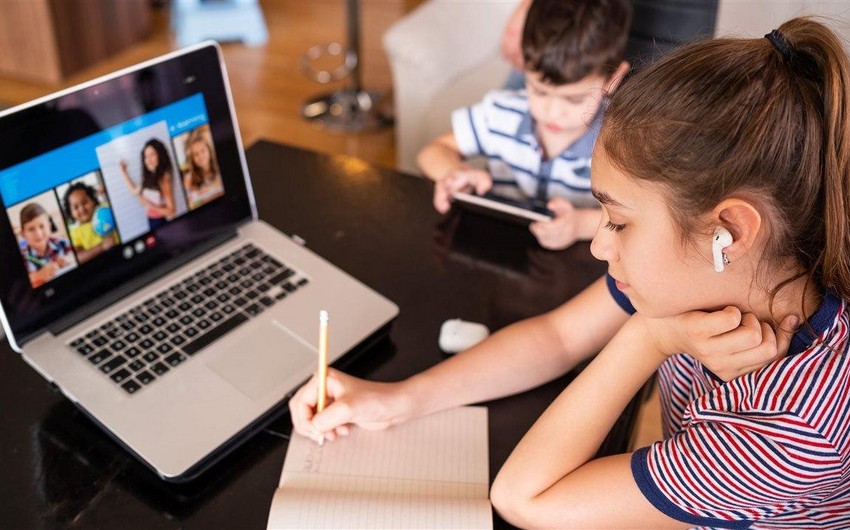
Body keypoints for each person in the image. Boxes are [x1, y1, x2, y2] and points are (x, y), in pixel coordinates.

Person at [292, 16, 850, 527]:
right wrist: (399, 399)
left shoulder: (795, 431)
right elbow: (558, 338)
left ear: (728, 229)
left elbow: (524, 497)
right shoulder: (716, 276)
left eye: (620, 222)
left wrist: (650, 339)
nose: (600, 246)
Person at [418, 0, 631, 251]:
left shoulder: (622, 141)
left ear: (612, 78)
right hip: (497, 250)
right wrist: (454, 172)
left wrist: (579, 225)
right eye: (539, 91)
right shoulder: (502, 113)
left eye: (573, 99)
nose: (552, 112)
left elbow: (636, 217)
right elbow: (432, 152)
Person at [120, 138, 176, 230]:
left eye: (152, 155)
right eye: (146, 156)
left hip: (160, 221)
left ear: (159, 155)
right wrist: (124, 172)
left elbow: (171, 211)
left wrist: (148, 204)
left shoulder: (163, 180)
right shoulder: (148, 177)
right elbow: (134, 191)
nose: (148, 160)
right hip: (151, 220)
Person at [18, 202, 74, 286]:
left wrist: (68, 259)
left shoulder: (62, 243)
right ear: (23, 234)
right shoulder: (23, 256)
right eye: (31, 229)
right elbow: (19, 283)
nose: (38, 234)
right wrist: (39, 275)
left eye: (42, 226)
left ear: (49, 226)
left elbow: (76, 255)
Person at [62, 182, 117, 263]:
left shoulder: (104, 208)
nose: (82, 209)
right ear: (71, 213)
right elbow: (77, 257)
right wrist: (101, 247)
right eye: (76, 207)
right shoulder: (76, 232)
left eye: (84, 202)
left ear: (93, 200)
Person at [182, 132, 224, 210]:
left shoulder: (219, 167)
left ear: (209, 150)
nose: (200, 156)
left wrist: (211, 188)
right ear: (192, 158)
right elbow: (188, 203)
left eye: (203, 151)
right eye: (196, 154)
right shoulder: (189, 179)